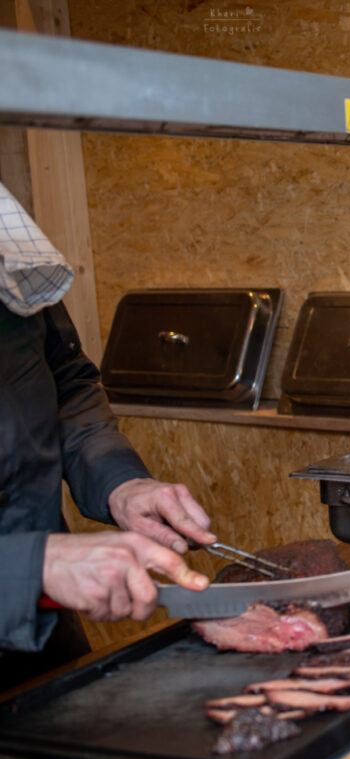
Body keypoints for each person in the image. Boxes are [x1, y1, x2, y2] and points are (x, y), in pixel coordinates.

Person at [1, 181, 213, 692]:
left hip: (43, 629)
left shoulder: (8, 237)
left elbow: (65, 383)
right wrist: (28, 566)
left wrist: (119, 481)